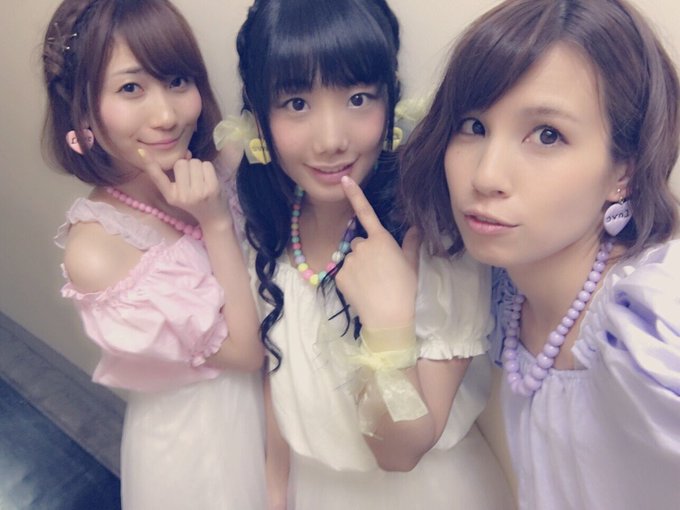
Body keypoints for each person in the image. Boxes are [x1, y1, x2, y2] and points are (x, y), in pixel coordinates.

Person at [232, 0, 514, 508]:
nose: (331, 140)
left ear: (390, 99)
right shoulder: (274, 221)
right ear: (259, 115)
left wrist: (389, 325)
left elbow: (402, 452)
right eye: (296, 103)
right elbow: (279, 376)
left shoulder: (432, 236)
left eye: (358, 98)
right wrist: (275, 491)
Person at [400, 0, 680, 508]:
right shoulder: (507, 297)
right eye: (473, 126)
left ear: (624, 171)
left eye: (547, 135)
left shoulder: (652, 319)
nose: (486, 175)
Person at [42, 1, 266, 508]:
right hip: (206, 445)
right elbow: (244, 354)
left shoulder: (224, 161)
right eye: (130, 88)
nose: (166, 115)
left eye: (177, 80)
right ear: (82, 111)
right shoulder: (97, 252)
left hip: (281, 405)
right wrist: (214, 223)